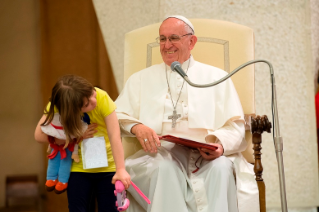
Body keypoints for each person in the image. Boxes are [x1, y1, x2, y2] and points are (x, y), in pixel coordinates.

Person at [115, 15, 258, 212]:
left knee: (222, 169)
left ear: (191, 42)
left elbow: (235, 126)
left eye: (173, 38)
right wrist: (136, 126)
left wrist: (220, 145)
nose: (166, 45)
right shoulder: (140, 79)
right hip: (159, 154)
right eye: (162, 39)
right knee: (163, 168)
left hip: (206, 157)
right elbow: (117, 115)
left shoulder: (216, 77)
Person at [34, 74, 131, 212]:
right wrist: (76, 135)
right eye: (87, 104)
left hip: (108, 166)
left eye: (92, 93)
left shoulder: (102, 97)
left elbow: (115, 136)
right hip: (78, 168)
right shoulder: (58, 105)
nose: (94, 101)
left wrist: (120, 169)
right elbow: (39, 135)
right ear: (72, 110)